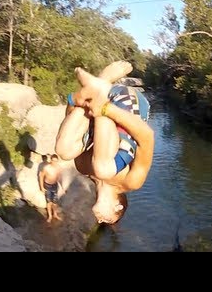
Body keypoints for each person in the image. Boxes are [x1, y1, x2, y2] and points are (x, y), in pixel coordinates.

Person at [55, 62, 154, 225]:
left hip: (102, 101)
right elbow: (147, 136)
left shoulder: (85, 168)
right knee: (103, 170)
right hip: (129, 104)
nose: (100, 221)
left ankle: (98, 87)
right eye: (107, 219)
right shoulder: (131, 182)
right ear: (118, 206)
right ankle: (102, 86)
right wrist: (106, 110)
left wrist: (73, 100)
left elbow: (74, 126)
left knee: (64, 151)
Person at [39, 153, 64, 223]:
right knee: (49, 202)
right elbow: (41, 176)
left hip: (55, 186)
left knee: (55, 202)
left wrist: (62, 187)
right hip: (48, 186)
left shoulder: (58, 168)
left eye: (56, 161)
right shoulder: (46, 168)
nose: (54, 162)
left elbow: (59, 178)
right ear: (51, 160)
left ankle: (55, 214)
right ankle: (50, 216)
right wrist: (42, 187)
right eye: (53, 161)